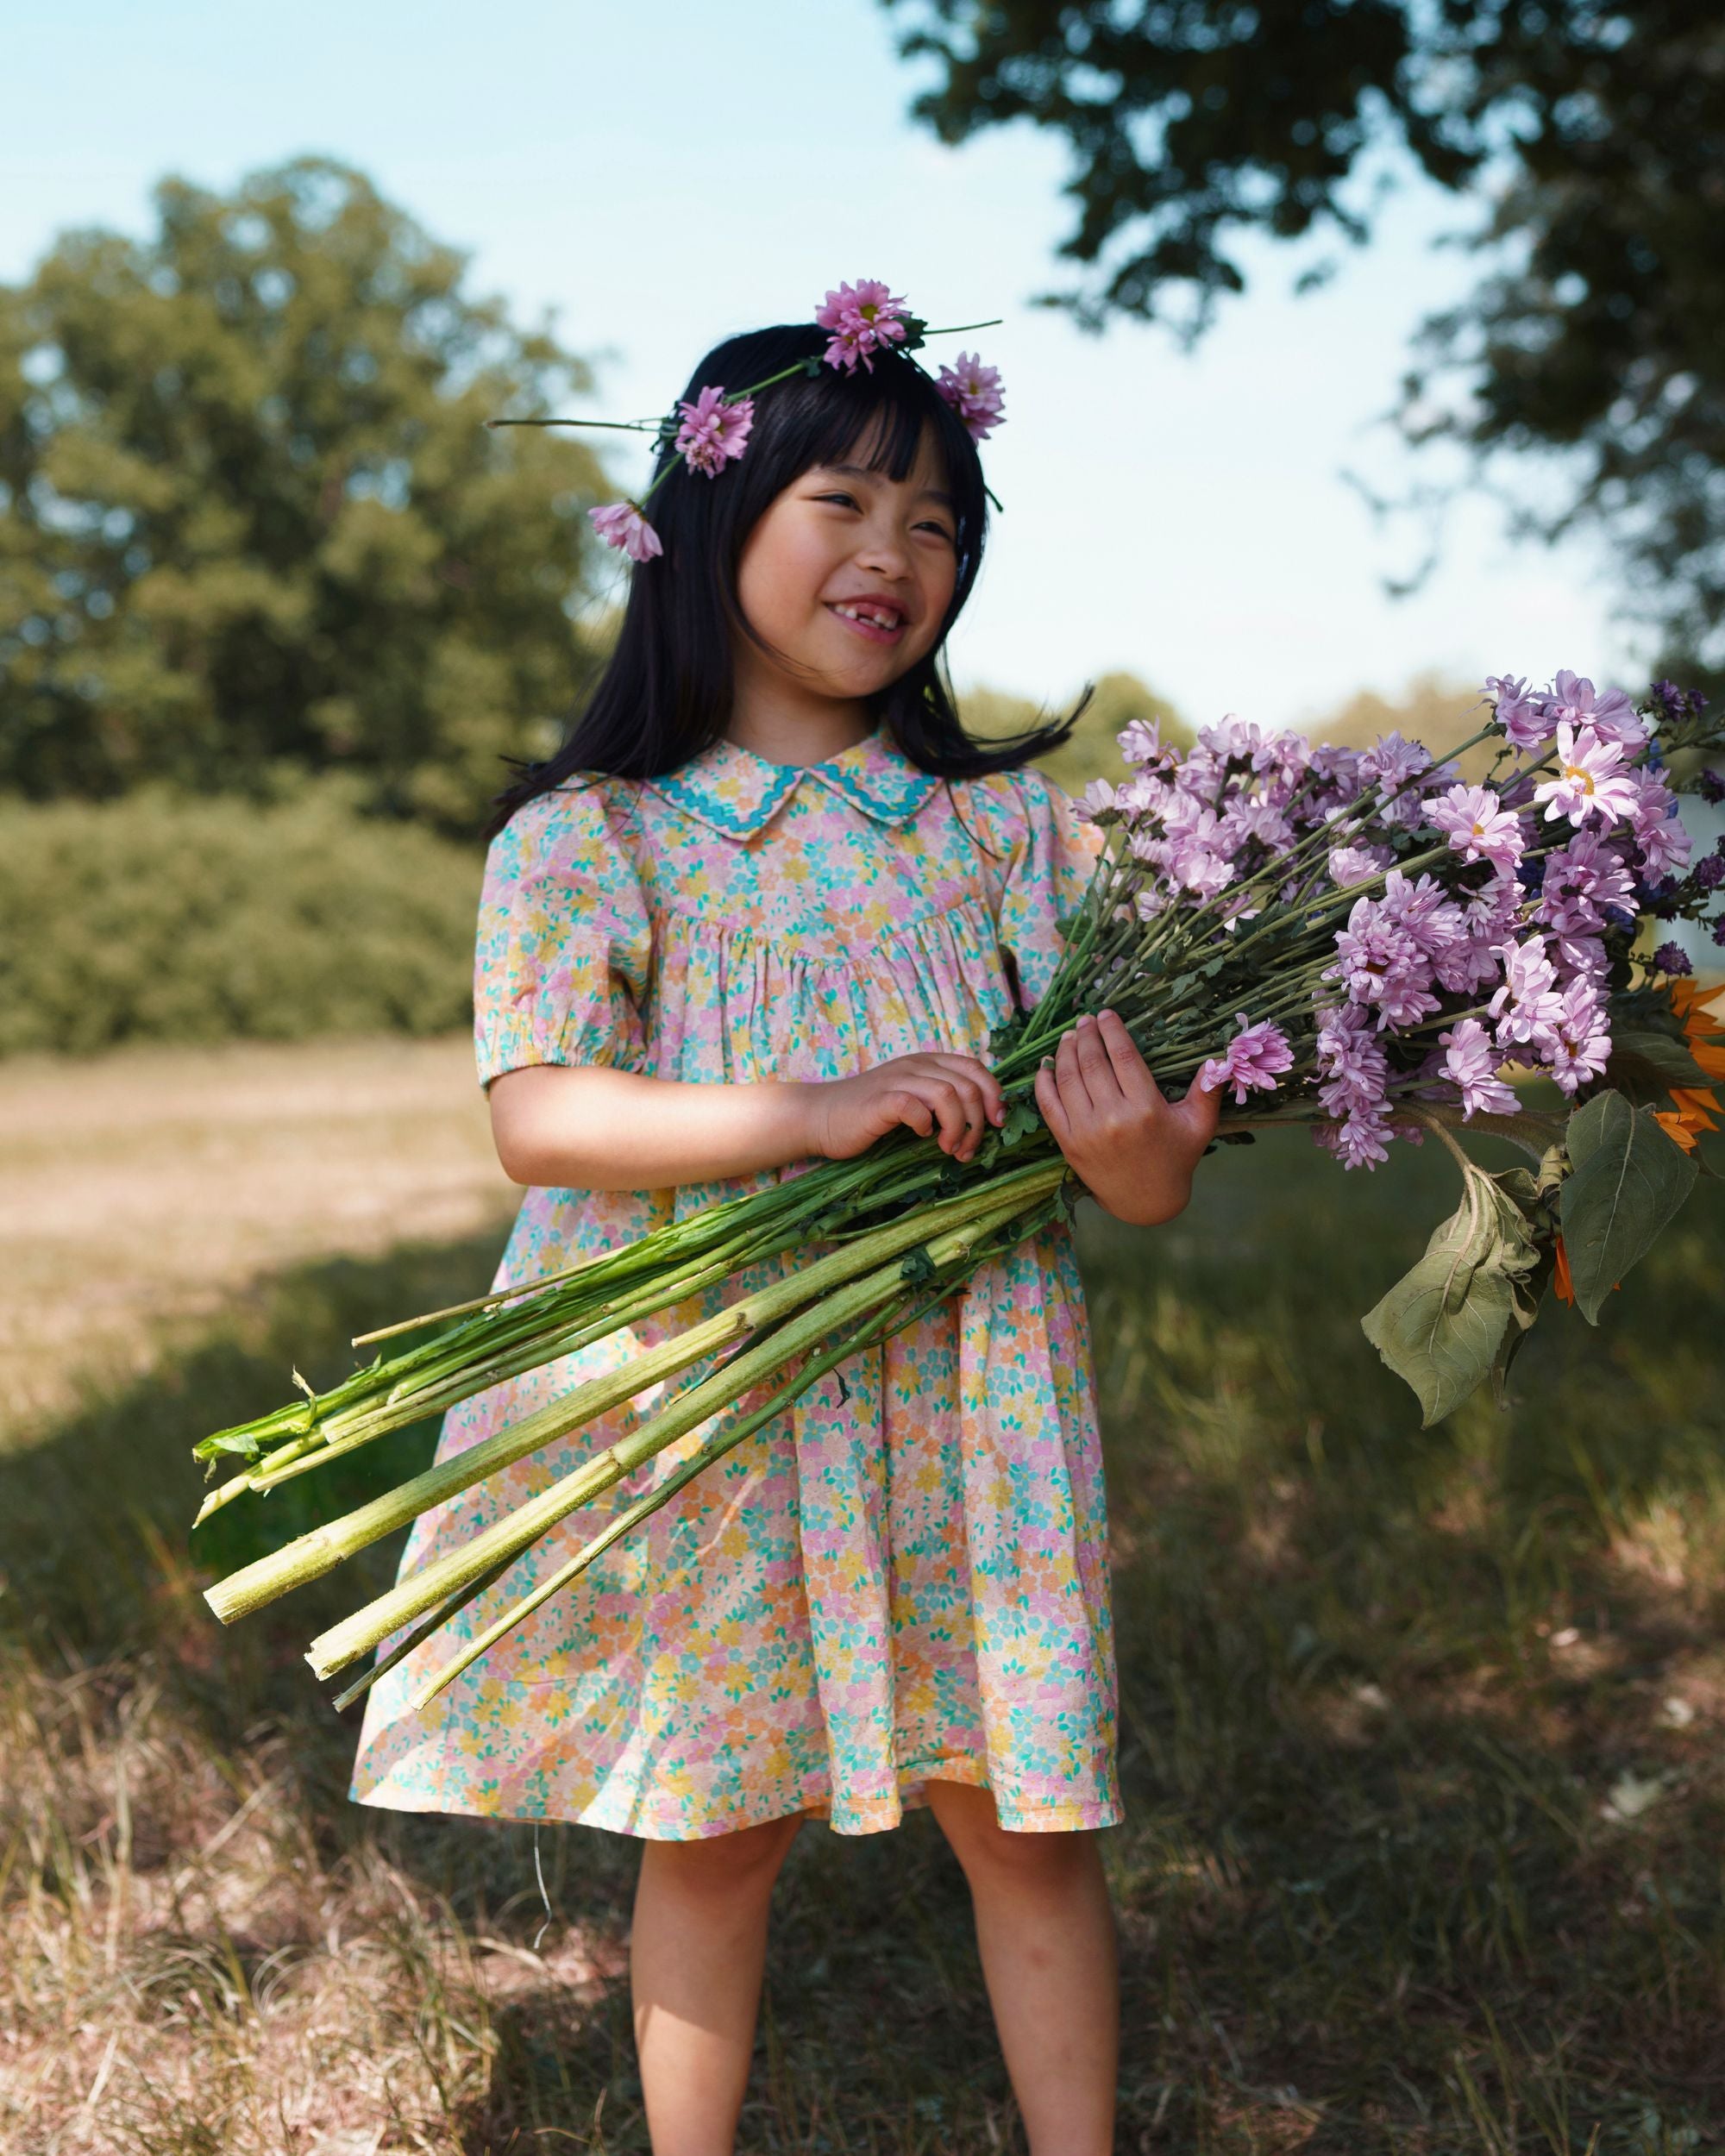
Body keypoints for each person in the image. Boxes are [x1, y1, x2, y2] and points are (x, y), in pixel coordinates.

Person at [351, 301, 1220, 2156]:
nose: (894, 553)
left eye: (936, 520)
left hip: (974, 1393)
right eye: (844, 502)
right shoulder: (597, 836)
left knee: (1030, 1819)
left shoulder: (1007, 835)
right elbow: (542, 1115)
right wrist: (813, 1109)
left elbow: (1139, 1173)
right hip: (717, 1385)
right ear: (710, 515)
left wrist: (1141, 1149)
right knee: (715, 1821)